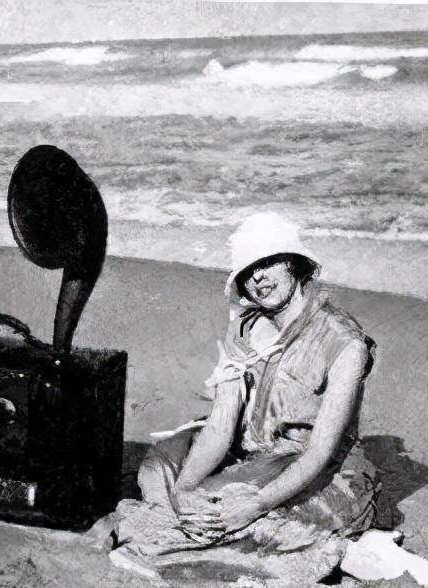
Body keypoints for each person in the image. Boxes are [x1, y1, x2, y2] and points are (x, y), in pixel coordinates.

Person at [108, 213, 379, 583]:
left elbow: (319, 452)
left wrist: (256, 505)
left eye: (268, 263)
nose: (258, 278)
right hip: (249, 447)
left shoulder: (343, 342)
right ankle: (202, 519)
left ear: (293, 263)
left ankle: (335, 549)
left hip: (311, 463)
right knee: (158, 469)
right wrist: (185, 490)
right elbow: (221, 425)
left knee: (228, 505)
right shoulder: (245, 328)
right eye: (249, 271)